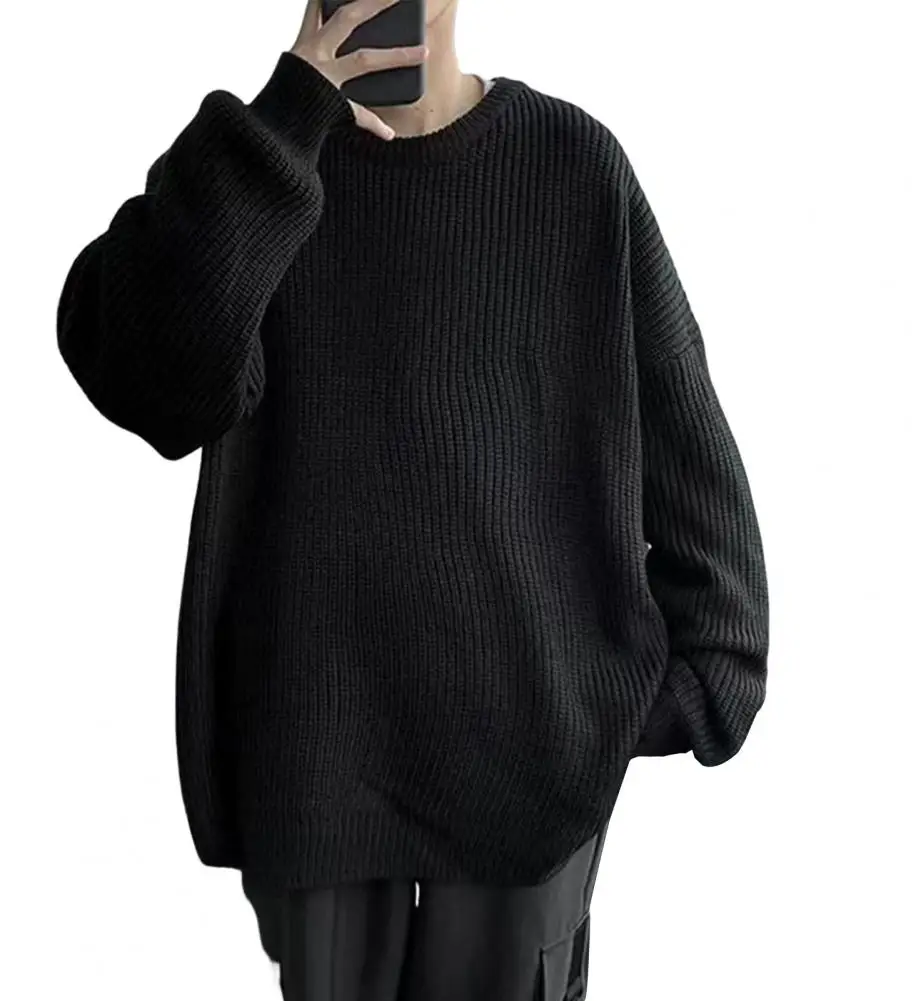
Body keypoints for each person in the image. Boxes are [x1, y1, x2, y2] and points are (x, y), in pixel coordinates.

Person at [55, 0, 770, 997]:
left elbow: (686, 442)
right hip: (314, 759)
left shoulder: (572, 167)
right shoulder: (261, 173)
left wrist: (675, 686)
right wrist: (287, 120)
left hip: (531, 771)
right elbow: (144, 383)